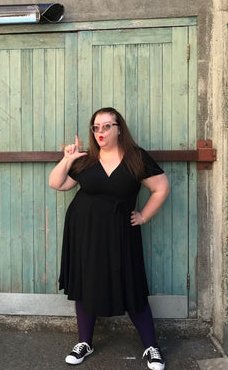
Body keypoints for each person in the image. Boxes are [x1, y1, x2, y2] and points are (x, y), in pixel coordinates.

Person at [49, 107, 170, 369]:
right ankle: (85, 342)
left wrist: (144, 216)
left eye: (106, 126)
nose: (100, 132)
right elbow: (57, 184)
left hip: (120, 234)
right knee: (85, 282)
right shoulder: (86, 160)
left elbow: (161, 188)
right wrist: (68, 159)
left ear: (119, 128)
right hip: (84, 232)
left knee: (131, 284)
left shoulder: (137, 158)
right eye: (96, 127)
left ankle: (151, 347)